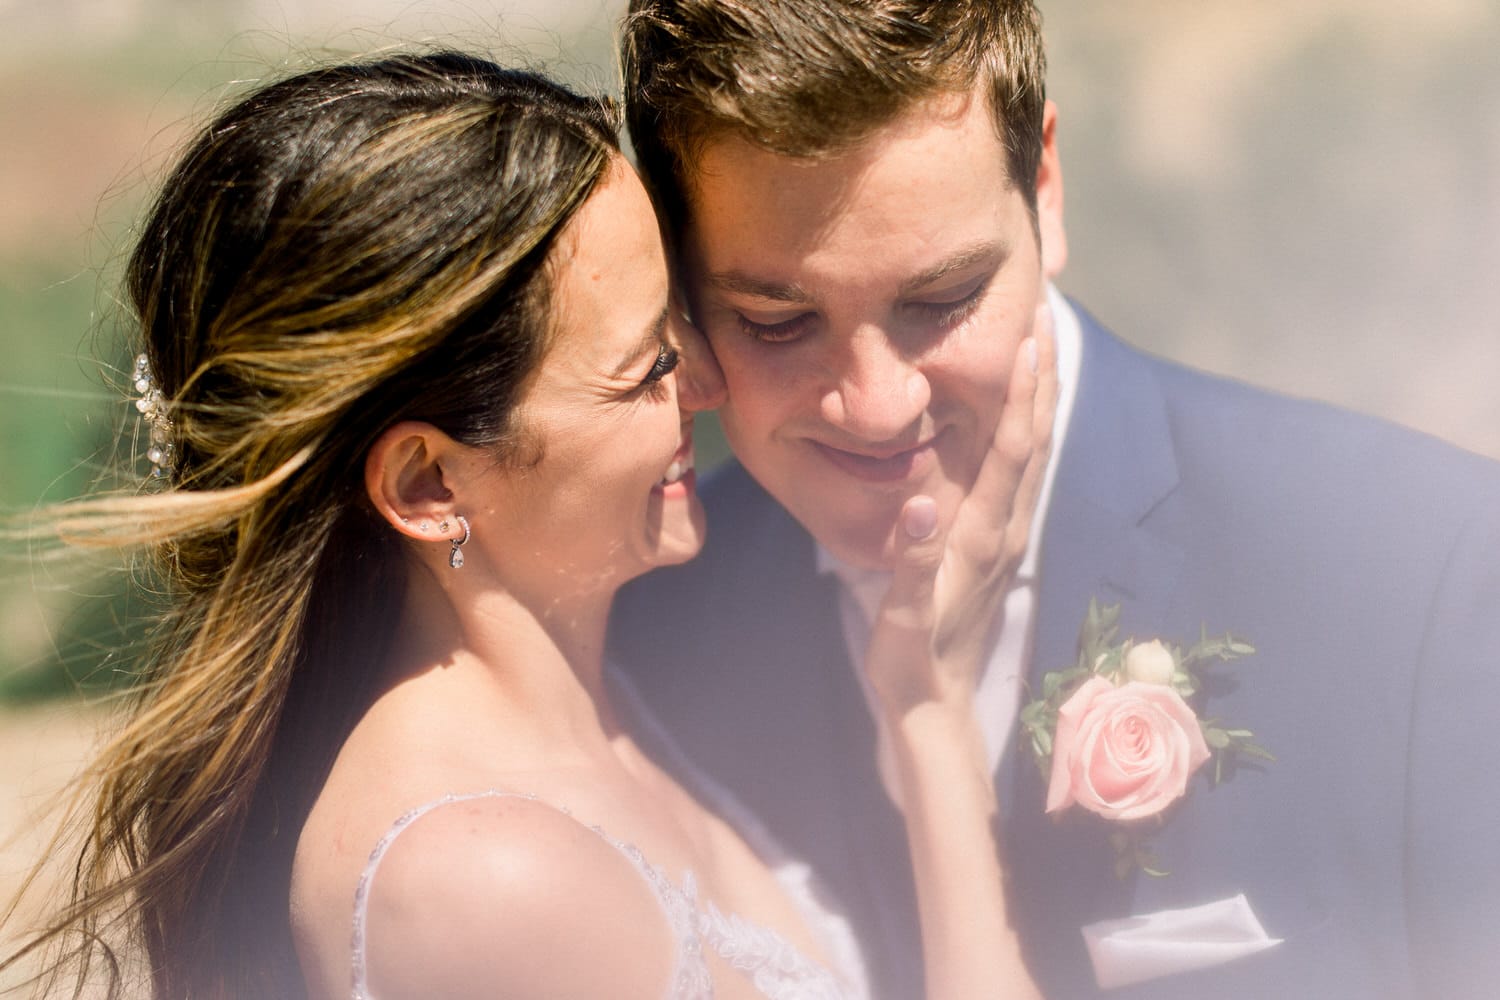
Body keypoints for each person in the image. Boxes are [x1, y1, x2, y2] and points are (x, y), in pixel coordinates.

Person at [0, 51, 1054, 1000]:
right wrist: (930, 718)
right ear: (426, 485)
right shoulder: (481, 881)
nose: (711, 376)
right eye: (646, 365)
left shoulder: (610, 686)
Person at [608, 2, 1500, 999]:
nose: (878, 404)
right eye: (777, 320)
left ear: (1044, 184)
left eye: (941, 300)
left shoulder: (1423, 573)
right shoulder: (634, 641)